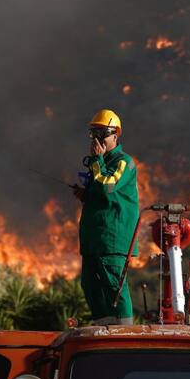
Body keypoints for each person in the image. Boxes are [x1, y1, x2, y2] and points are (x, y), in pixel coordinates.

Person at [73, 109, 139, 325]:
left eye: (103, 133)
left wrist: (97, 161)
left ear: (115, 135)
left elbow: (108, 188)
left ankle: (125, 330)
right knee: (89, 284)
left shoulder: (123, 161)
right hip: (95, 238)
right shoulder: (98, 162)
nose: (97, 139)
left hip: (112, 237)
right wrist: (86, 195)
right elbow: (101, 194)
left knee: (114, 284)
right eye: (94, 133)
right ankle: (103, 325)